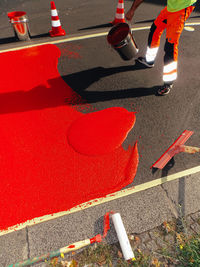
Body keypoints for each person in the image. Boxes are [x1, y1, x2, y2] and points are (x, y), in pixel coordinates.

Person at [125, 0, 197, 95]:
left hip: (182, 9)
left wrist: (132, 10)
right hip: (172, 7)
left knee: (170, 45)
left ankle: (168, 83)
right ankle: (149, 61)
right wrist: (132, 10)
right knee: (155, 29)